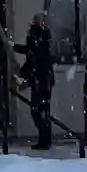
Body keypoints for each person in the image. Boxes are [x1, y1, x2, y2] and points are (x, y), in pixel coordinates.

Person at [15, 12, 55, 151]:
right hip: (42, 79)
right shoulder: (43, 38)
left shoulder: (38, 38)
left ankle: (45, 140)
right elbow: (31, 53)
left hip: (40, 79)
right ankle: (45, 139)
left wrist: (25, 73)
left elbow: (32, 54)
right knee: (42, 110)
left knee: (38, 110)